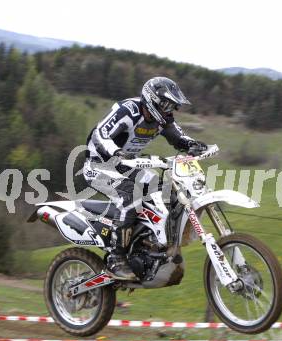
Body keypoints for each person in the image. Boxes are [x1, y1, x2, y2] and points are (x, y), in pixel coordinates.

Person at [84, 77, 207, 280]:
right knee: (130, 196)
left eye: (172, 106)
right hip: (99, 166)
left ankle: (150, 246)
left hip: (127, 166)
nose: (170, 110)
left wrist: (194, 145)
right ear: (152, 99)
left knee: (168, 193)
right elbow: (100, 135)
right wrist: (116, 152)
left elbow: (178, 137)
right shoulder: (128, 111)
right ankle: (117, 258)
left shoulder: (162, 119)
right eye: (166, 104)